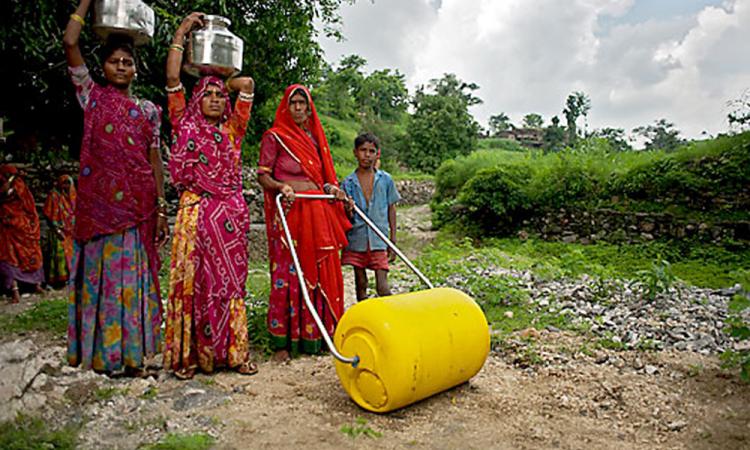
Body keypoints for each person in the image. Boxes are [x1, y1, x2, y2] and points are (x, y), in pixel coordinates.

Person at [63, 0, 168, 376]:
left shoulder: (149, 111)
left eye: (127, 62)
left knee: (131, 285)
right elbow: (70, 42)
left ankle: (132, 356)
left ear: (135, 69)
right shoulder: (91, 97)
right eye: (114, 62)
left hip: (138, 210)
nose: (122, 67)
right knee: (102, 282)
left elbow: (154, 160)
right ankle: (102, 355)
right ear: (103, 67)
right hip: (99, 210)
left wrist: (160, 208)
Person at [162, 13, 257, 379]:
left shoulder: (234, 129)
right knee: (195, 284)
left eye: (221, 95)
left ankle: (234, 353)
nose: (216, 99)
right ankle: (190, 357)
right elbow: (172, 79)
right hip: (195, 214)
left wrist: (219, 76)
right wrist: (184, 33)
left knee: (230, 284)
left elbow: (246, 82)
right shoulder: (183, 121)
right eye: (209, 94)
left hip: (229, 218)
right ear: (198, 98)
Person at [257, 84, 351, 360]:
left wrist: (332, 188)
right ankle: (284, 342)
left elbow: (323, 177)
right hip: (291, 211)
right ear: (286, 106)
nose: (298, 108)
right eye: (293, 103)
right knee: (290, 273)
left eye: (303, 104)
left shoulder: (315, 139)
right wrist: (281, 186)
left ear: (309, 109)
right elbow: (262, 175)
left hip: (318, 211)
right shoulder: (275, 137)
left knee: (323, 270)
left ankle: (321, 336)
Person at [340, 133, 400, 301]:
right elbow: (346, 216)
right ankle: (365, 322)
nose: (367, 155)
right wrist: (347, 208)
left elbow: (391, 209)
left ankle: (390, 319)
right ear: (355, 152)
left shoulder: (386, 180)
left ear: (377, 154)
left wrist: (392, 240)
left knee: (383, 287)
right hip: (357, 240)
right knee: (361, 284)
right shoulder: (348, 183)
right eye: (363, 150)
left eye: (371, 151)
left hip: (379, 240)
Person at [0, 165, 44, 303]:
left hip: (23, 227)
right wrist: (10, 180)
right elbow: (4, 193)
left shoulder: (20, 186)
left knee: (32, 253)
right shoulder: (3, 185)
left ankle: (37, 285)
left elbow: (29, 206)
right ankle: (15, 291)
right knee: (10, 257)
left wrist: (31, 223)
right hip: (8, 227)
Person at [43, 175, 76, 287]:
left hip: (70, 231)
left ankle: (70, 278)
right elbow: (48, 213)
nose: (66, 186)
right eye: (64, 183)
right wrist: (56, 229)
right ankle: (59, 280)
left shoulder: (70, 196)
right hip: (57, 229)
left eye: (68, 183)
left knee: (71, 253)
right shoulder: (53, 196)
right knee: (59, 254)